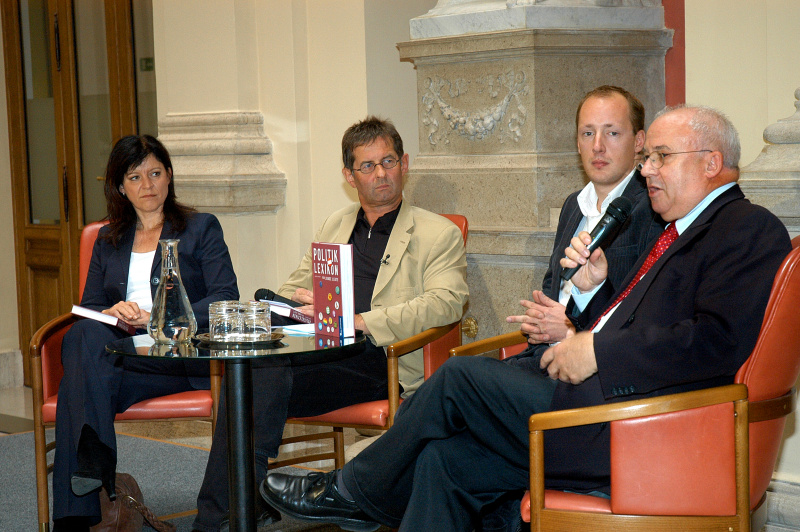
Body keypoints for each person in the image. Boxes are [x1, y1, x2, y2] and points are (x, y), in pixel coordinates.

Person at [259, 104, 792, 532]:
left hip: (639, 426)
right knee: (444, 460)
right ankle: (363, 494)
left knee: (461, 377)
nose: (646, 168)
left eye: (659, 156)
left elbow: (716, 343)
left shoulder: (745, 228)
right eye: (647, 156)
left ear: (711, 162)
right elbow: (638, 324)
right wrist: (590, 295)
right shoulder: (678, 230)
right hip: (599, 404)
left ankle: (352, 491)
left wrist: (594, 349)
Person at [192, 116, 469, 531]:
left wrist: (363, 320)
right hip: (325, 354)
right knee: (252, 372)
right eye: (368, 166)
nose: (381, 174)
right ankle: (236, 508)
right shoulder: (335, 225)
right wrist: (298, 302)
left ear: (405, 163)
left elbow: (448, 301)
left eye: (388, 161)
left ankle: (221, 516)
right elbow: (295, 286)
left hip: (383, 361)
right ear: (349, 175)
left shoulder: (437, 233)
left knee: (256, 380)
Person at [52, 135, 239, 531]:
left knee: (78, 384)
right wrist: (111, 310)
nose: (147, 185)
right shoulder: (109, 239)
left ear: (169, 176)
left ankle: (76, 511)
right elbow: (90, 307)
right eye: (135, 178)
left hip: (175, 358)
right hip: (121, 362)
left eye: (155, 173)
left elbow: (225, 297)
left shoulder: (200, 228)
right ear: (121, 186)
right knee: (84, 335)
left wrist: (159, 314)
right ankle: (94, 467)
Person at [502, 85, 663, 411]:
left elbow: (638, 311)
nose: (598, 146)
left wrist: (567, 325)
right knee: (440, 444)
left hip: (593, 374)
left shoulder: (652, 208)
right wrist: (539, 319)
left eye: (612, 133)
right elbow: (552, 288)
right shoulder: (573, 206)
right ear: (577, 142)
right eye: (587, 133)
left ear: (640, 141)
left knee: (454, 380)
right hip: (541, 356)